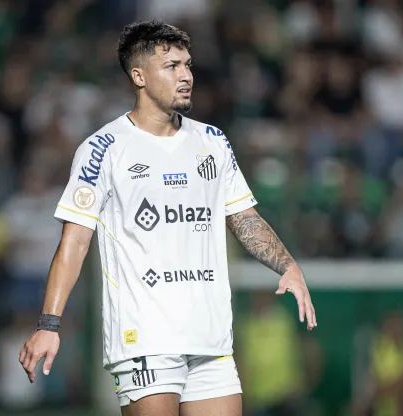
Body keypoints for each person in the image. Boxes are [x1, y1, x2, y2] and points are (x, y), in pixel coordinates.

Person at [18, 19, 317, 416]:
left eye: (188, 65)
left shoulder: (212, 142)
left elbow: (243, 216)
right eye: (172, 66)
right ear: (139, 76)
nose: (186, 76)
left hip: (211, 341)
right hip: (145, 340)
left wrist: (287, 264)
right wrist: (49, 324)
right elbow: (74, 241)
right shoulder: (104, 149)